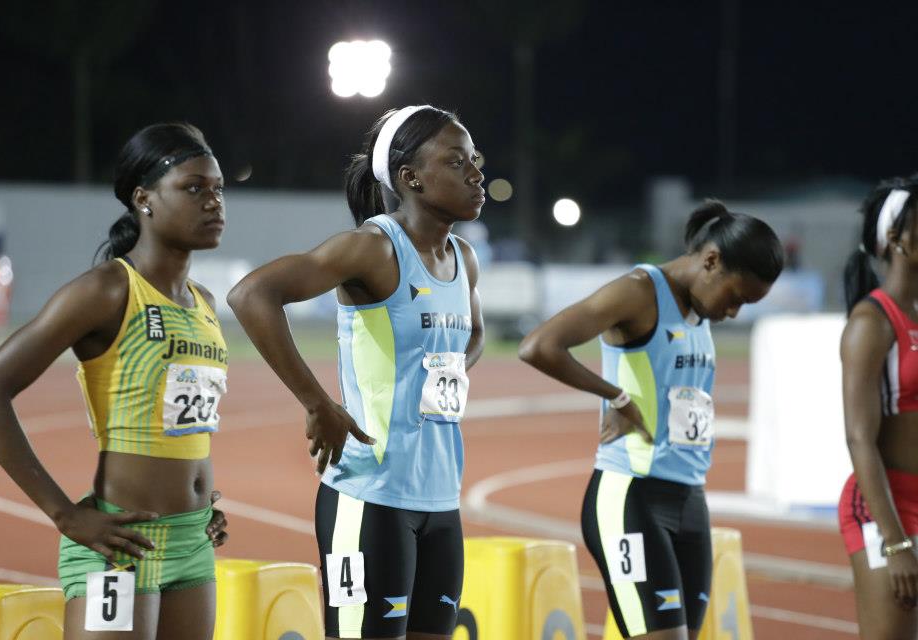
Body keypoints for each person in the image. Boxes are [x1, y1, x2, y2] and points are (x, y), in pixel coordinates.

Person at [0, 122, 230, 639]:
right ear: (144, 199)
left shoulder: (204, 304)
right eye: (194, 188)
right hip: (120, 542)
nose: (213, 201)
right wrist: (64, 514)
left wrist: (201, 502)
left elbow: (181, 423)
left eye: (218, 188)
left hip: (194, 541)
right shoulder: (107, 291)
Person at [227, 105, 485, 639]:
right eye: (457, 162)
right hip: (370, 497)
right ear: (411, 178)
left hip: (441, 500)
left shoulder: (463, 258)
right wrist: (316, 402)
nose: (475, 174)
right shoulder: (373, 249)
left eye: (475, 160)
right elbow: (252, 295)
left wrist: (447, 369)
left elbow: (473, 333)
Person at [519, 201, 782, 640]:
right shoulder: (640, 292)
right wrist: (617, 397)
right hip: (631, 495)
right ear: (711, 261)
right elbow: (540, 346)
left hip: (689, 499)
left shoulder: (699, 307)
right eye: (735, 297)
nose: (734, 312)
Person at [840, 178, 918, 639]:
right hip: (886, 509)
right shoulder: (872, 321)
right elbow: (859, 438)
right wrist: (896, 543)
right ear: (895, 238)